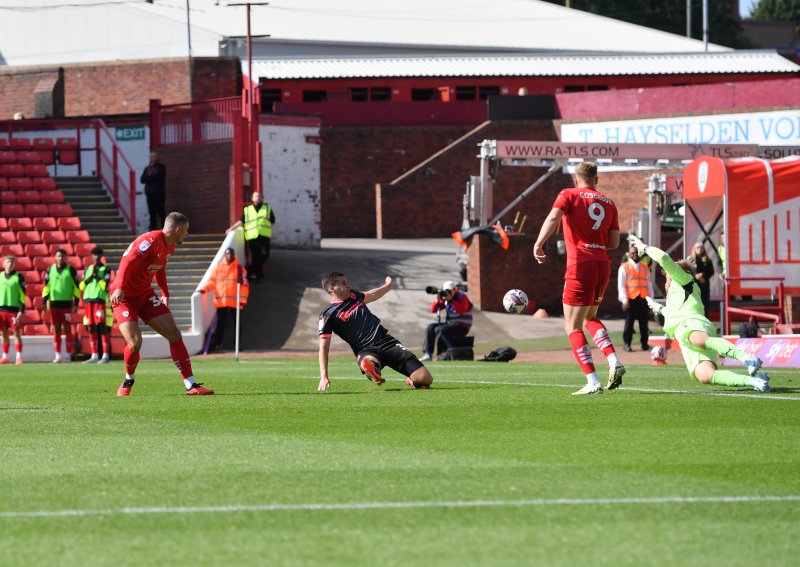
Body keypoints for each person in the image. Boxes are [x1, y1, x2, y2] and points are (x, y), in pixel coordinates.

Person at [628, 235, 769, 392]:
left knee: (698, 339)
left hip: (693, 324)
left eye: (667, 278)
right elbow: (674, 314)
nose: (666, 282)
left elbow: (663, 258)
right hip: (684, 337)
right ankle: (754, 381)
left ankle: (746, 358)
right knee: (705, 375)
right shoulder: (676, 295)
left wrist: (644, 247)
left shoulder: (684, 279)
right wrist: (658, 308)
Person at [533, 161, 624, 395]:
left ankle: (593, 381)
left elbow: (553, 218)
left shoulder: (568, 194)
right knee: (591, 317)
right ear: (597, 179)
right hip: (602, 264)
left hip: (580, 264)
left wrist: (539, 243)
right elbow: (613, 243)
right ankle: (613, 360)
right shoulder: (609, 203)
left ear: (576, 179)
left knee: (572, 326)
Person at [110, 212, 213, 396]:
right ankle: (128, 379)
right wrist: (119, 287)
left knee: (174, 333)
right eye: (186, 231)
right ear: (178, 229)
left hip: (144, 294)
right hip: (124, 297)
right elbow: (128, 261)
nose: (187, 235)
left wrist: (165, 292)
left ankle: (191, 385)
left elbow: (160, 267)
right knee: (134, 343)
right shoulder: (150, 240)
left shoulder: (170, 246)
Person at [318, 272, 433, 391]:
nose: (348, 285)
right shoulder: (327, 315)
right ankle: (372, 369)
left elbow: (372, 294)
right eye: (343, 283)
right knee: (369, 362)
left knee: (426, 379)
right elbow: (324, 348)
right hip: (365, 349)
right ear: (332, 289)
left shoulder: (354, 296)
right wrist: (324, 376)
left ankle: (412, 381)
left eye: (347, 282)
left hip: (387, 342)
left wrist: (388, 285)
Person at [199, 247, 249, 351]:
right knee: (220, 324)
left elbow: (244, 286)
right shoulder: (218, 268)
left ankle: (236, 345)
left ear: (234, 255)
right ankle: (217, 343)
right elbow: (212, 282)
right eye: (227, 254)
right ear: (225, 255)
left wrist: (243, 301)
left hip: (235, 302)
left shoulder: (240, 269)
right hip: (221, 301)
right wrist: (203, 290)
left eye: (231, 254)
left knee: (237, 324)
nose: (229, 256)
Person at [226, 191, 275, 284]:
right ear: (252, 198)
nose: (258, 198)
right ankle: (258, 277)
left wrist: (267, 229)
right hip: (252, 237)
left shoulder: (267, 209)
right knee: (256, 258)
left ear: (262, 198)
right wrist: (231, 228)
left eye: (259, 196)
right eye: (256, 196)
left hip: (264, 236)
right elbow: (241, 221)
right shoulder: (248, 210)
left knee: (265, 255)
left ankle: (247, 270)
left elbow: (273, 221)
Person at [42, 248, 80, 363]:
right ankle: (57, 355)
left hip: (67, 304)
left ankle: (68, 354)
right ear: (54, 257)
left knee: (68, 328)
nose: (60, 258)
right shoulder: (50, 270)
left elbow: (76, 288)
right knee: (56, 329)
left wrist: (76, 302)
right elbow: (46, 286)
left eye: (63, 256)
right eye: (58, 256)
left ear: (65, 257)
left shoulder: (71, 270)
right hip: (54, 304)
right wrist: (44, 301)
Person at [420, 280, 472, 361]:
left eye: (449, 291)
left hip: (463, 326)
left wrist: (451, 300)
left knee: (439, 329)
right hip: (451, 324)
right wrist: (438, 299)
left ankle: (442, 354)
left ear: (454, 290)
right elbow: (433, 310)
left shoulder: (462, 297)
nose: (447, 292)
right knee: (430, 327)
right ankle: (428, 354)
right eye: (446, 291)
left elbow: (462, 309)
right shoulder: (446, 298)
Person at [617, 241, 653, 352]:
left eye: (637, 252)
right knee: (629, 323)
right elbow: (621, 285)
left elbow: (649, 284)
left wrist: (651, 300)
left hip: (643, 298)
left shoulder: (645, 267)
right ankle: (627, 344)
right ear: (629, 254)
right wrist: (624, 300)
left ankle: (644, 344)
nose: (635, 255)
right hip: (630, 299)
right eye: (633, 253)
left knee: (644, 323)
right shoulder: (624, 267)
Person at [80, 246, 112, 364]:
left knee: (102, 326)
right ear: (92, 256)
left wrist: (97, 275)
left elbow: (105, 286)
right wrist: (91, 275)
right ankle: (94, 355)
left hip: (99, 300)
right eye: (94, 255)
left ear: (101, 256)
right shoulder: (88, 269)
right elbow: (82, 286)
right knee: (91, 326)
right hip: (88, 299)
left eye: (98, 255)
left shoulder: (105, 269)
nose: (96, 257)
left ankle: (105, 355)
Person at [0, 255, 25, 365]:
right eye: (8, 262)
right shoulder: (0, 276)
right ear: (3, 264)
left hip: (14, 310)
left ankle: (18, 357)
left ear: (15, 264)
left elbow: (23, 296)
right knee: (4, 333)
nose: (10, 264)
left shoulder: (19, 277)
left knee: (16, 333)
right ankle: (5, 356)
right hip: (1, 309)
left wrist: (21, 310)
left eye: (12, 262)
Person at [141, 151, 167, 231]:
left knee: (161, 212)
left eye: (153, 156)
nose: (152, 158)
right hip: (150, 193)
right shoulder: (147, 168)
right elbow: (142, 179)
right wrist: (151, 177)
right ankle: (152, 230)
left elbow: (158, 177)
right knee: (152, 213)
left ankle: (165, 229)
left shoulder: (161, 167)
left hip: (158, 193)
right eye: (151, 157)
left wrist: (149, 178)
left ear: (157, 157)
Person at [690, 241, 715, 318]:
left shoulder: (707, 260)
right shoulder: (690, 260)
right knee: (695, 306)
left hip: (704, 287)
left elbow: (711, 271)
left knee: (705, 306)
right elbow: (687, 272)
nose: (700, 249)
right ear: (694, 249)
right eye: (698, 248)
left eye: (701, 247)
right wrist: (696, 277)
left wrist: (703, 275)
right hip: (694, 287)